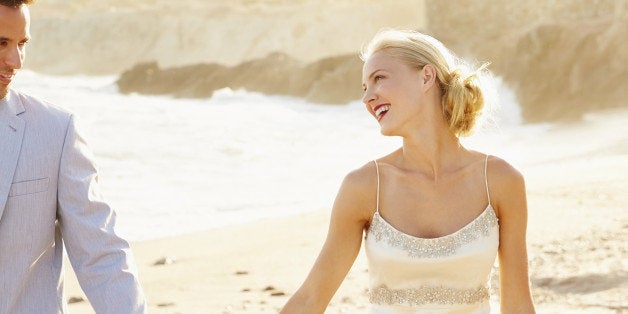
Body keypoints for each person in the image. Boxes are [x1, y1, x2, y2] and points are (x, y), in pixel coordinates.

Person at [281, 29, 535, 313]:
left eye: (379, 78)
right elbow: (311, 299)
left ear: (426, 77)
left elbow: (517, 304)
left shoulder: (500, 181)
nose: (368, 98)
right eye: (364, 87)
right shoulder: (365, 187)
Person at [0, 1, 147, 313]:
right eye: (1, 43)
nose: (16, 61)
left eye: (22, 44)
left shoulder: (55, 130)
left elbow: (101, 252)